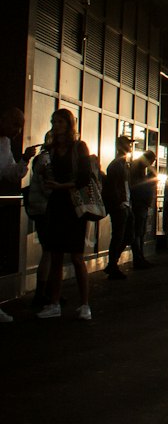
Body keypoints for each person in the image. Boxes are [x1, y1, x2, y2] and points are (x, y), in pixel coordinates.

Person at [36, 107, 93, 320]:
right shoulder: (50, 149)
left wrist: (59, 186)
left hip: (73, 205)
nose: (56, 126)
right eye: (54, 122)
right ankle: (55, 302)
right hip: (58, 204)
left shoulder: (79, 147)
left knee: (77, 256)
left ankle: (84, 303)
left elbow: (84, 179)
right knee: (56, 255)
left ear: (69, 124)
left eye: (60, 122)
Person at [0, 107, 32, 322]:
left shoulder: (4, 143)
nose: (18, 131)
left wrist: (24, 161)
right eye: (15, 124)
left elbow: (10, 172)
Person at [105, 133, 142, 278]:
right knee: (120, 236)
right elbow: (113, 186)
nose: (130, 146)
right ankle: (112, 265)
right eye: (128, 144)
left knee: (126, 236)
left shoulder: (123, 164)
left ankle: (112, 264)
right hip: (121, 205)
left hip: (125, 205)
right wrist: (119, 202)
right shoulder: (117, 165)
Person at [129, 149, 158, 263]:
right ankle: (138, 257)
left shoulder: (138, 167)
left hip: (141, 203)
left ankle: (140, 256)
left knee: (140, 231)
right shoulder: (138, 168)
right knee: (138, 231)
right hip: (139, 203)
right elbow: (140, 185)